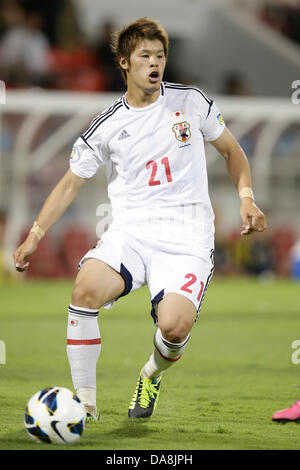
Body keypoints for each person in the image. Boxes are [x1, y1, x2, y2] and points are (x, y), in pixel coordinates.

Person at [13, 17, 267, 421]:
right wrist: (35, 234)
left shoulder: (191, 102)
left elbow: (232, 152)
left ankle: (151, 373)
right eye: (145, 55)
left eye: (161, 55)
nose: (155, 63)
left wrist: (246, 198)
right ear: (124, 63)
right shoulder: (109, 124)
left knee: (174, 327)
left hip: (187, 236)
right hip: (131, 232)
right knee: (84, 292)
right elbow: (68, 185)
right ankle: (84, 407)